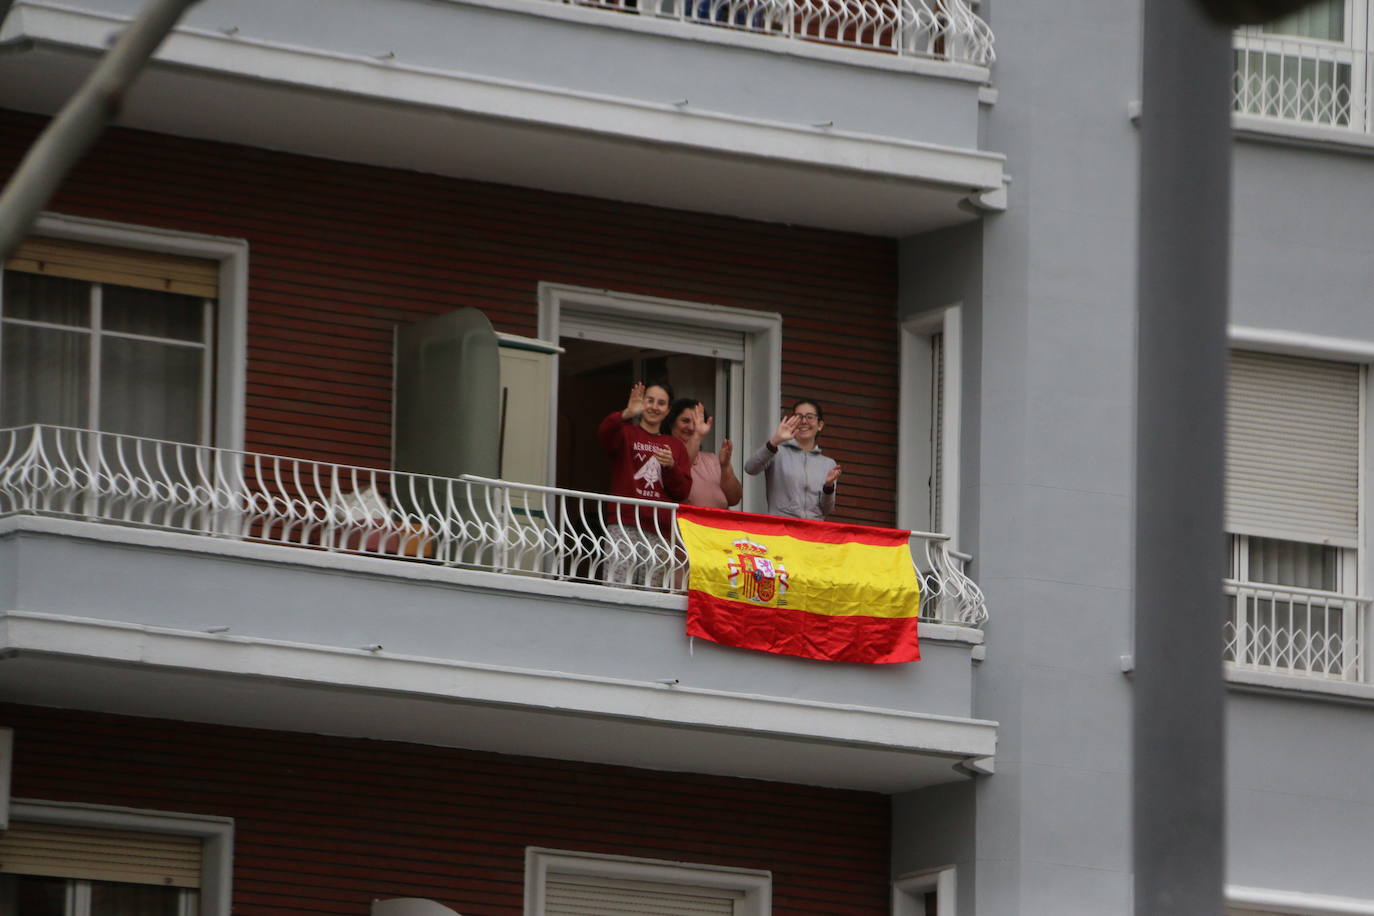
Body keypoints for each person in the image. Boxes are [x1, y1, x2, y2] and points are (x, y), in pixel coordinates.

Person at [597, 381, 692, 586]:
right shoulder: (626, 433)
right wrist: (626, 414)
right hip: (624, 523)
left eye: (661, 403)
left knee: (651, 591)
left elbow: (682, 491)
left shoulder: (675, 446)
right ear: (641, 402)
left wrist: (670, 467)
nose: (654, 407)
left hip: (658, 528)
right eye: (649, 400)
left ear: (668, 410)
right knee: (616, 586)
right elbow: (604, 434)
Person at [744, 398, 841, 520]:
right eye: (799, 416)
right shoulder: (777, 452)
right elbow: (750, 468)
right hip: (782, 528)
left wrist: (828, 486)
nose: (804, 421)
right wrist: (775, 441)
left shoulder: (828, 464)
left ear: (820, 425)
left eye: (810, 417)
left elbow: (827, 509)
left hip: (812, 531)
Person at [664, 398, 743, 509]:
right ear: (671, 423)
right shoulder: (665, 456)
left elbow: (734, 499)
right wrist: (698, 435)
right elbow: (682, 468)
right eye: (685, 421)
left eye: (697, 423)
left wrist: (725, 467)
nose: (691, 427)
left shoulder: (712, 460)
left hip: (716, 526)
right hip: (683, 525)